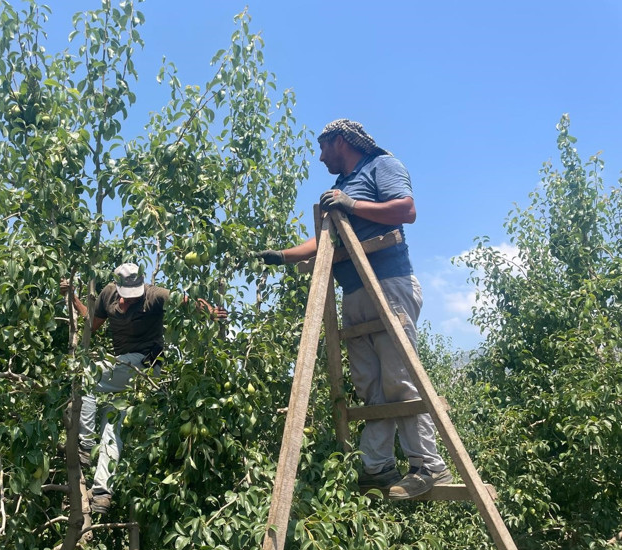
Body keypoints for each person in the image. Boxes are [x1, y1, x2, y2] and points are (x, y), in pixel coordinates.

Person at [257, 119, 451, 499]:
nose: (320, 155)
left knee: (399, 379)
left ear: (341, 141)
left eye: (323, 146)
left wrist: (353, 204)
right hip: (355, 290)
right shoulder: (340, 188)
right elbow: (324, 239)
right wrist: (280, 256)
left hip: (388, 283)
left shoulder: (383, 166)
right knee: (369, 384)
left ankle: (428, 465)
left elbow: (406, 210)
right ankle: (378, 467)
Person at [60, 263, 226, 514]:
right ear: (117, 287)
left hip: (146, 365)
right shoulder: (107, 294)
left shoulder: (154, 294)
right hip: (122, 369)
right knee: (111, 427)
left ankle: (83, 445)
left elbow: (187, 301)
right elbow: (91, 325)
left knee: (87, 374)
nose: (130, 300)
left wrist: (211, 312)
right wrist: (72, 296)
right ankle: (103, 492)